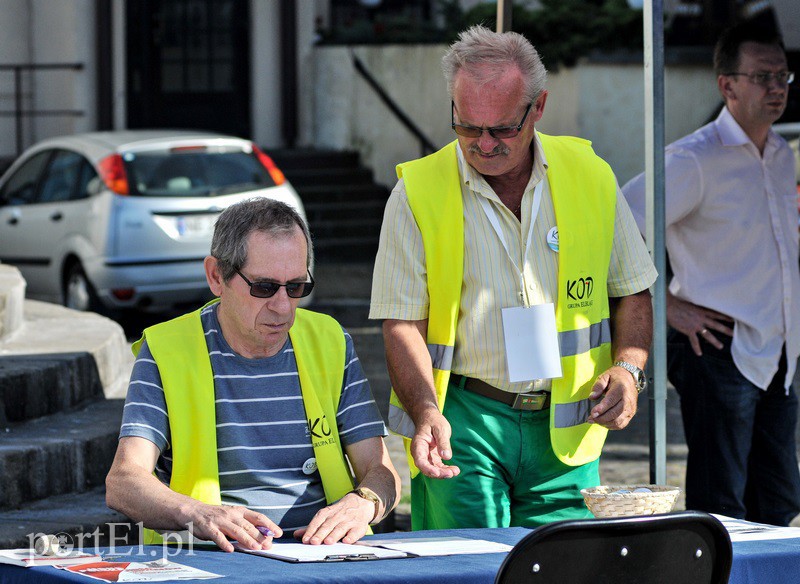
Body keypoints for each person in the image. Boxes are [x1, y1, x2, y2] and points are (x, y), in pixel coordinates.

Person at [369, 25, 657, 530]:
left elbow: (632, 291)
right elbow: (401, 324)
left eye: (501, 129)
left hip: (569, 426)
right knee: (467, 567)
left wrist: (629, 369)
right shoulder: (415, 191)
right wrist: (425, 412)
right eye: (466, 126)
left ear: (538, 107)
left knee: (565, 566)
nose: (482, 144)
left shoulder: (591, 174)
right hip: (464, 421)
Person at [107, 198, 400, 550]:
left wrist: (363, 503)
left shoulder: (330, 340)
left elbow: (382, 471)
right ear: (217, 276)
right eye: (263, 287)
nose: (282, 306)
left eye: (296, 287)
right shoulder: (167, 349)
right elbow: (123, 481)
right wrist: (198, 514)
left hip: (322, 557)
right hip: (211, 559)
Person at [623, 24, 800, 526]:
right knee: (721, 507)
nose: (778, 87)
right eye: (763, 76)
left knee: (780, 502)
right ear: (727, 85)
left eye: (783, 75)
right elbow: (619, 224)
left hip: (779, 352)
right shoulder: (693, 159)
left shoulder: (783, 154)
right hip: (717, 347)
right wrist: (665, 304)